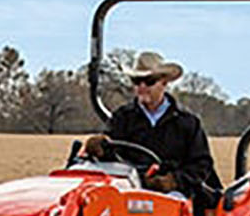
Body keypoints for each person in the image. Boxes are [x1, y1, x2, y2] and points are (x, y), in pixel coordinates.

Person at [89, 50, 221, 204]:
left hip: (173, 194)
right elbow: (111, 153)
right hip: (130, 190)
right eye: (137, 82)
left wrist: (172, 181)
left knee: (164, 207)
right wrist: (100, 147)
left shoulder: (187, 123)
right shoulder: (122, 118)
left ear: (164, 82)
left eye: (149, 81)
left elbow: (201, 165)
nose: (142, 87)